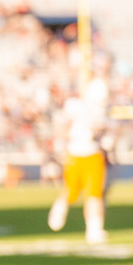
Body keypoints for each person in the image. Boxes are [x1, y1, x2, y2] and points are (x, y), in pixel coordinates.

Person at [48, 78, 111, 243]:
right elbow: (62, 126)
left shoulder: (100, 111)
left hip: (93, 154)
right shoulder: (75, 106)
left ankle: (94, 229)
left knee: (94, 193)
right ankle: (60, 207)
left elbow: (103, 131)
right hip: (75, 153)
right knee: (71, 191)